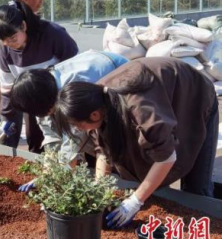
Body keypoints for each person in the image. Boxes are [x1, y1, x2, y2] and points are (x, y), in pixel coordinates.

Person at [53, 57, 218, 228]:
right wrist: (99, 191)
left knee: (197, 187)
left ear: (94, 115)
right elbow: (104, 150)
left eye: (78, 125)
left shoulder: (141, 112)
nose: (80, 130)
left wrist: (135, 201)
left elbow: (166, 158)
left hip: (194, 97)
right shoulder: (96, 101)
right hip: (162, 97)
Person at [11, 50, 128, 192]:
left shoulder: (73, 94)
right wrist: (47, 174)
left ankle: (118, 179)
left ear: (48, 104)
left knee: (107, 137)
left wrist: (57, 181)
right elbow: (51, 136)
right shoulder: (40, 92)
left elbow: (73, 140)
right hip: (95, 65)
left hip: (117, 72)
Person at [0, 0, 78, 153]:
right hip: (34, 103)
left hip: (64, 99)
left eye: (12, 38)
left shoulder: (52, 33)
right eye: (3, 40)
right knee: (35, 142)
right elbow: (7, 89)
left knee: (71, 144)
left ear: (23, 26)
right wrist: (8, 122)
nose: (7, 43)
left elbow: (76, 67)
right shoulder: (5, 49)